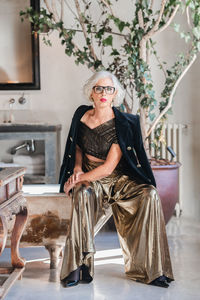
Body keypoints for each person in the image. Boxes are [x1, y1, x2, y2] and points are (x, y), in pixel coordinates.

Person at [59, 70, 174, 288]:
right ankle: (78, 267)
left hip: (118, 177)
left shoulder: (124, 123)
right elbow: (78, 147)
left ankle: (151, 269)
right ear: (91, 93)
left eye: (108, 89)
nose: (104, 93)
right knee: (82, 194)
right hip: (90, 176)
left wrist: (78, 179)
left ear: (115, 95)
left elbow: (109, 167)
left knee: (149, 194)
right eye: (99, 88)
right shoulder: (81, 115)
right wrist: (76, 170)